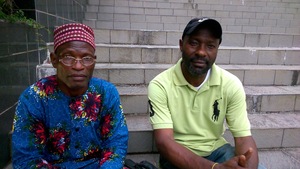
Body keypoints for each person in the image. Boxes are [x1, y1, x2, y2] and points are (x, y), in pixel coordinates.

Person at [148, 17, 265, 169]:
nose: (201, 52)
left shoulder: (230, 84)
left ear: (217, 49)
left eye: (210, 46)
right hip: (178, 153)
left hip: (216, 150)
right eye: (194, 43)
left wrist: (247, 166)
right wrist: (214, 168)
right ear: (181, 45)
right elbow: (164, 142)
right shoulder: (160, 85)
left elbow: (243, 138)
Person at [12, 23, 129, 168]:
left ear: (94, 60)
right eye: (68, 57)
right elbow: (26, 158)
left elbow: (116, 144)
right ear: (54, 60)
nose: (78, 66)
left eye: (86, 58)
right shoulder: (33, 98)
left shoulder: (106, 93)